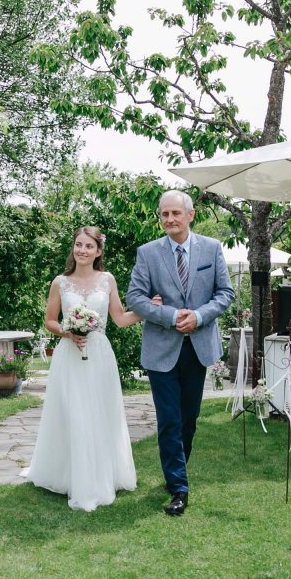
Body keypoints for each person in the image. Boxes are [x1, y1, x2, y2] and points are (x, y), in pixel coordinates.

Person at [24, 226, 153, 511]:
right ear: (73, 248)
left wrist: (149, 309)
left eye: (88, 246)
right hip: (69, 354)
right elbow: (50, 320)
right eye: (78, 245)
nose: (82, 250)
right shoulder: (60, 282)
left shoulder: (107, 280)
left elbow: (119, 318)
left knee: (99, 412)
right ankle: (68, 475)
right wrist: (68, 332)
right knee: (72, 412)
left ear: (98, 251)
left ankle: (101, 475)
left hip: (99, 354)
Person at [126, 191, 234, 517]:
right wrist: (172, 316)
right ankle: (178, 488)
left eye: (175, 213)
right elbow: (135, 298)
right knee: (169, 420)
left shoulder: (212, 249)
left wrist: (199, 316)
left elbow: (225, 293)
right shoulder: (147, 253)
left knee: (189, 419)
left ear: (190, 215)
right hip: (161, 348)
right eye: (164, 214)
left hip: (198, 347)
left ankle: (177, 470)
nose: (169, 219)